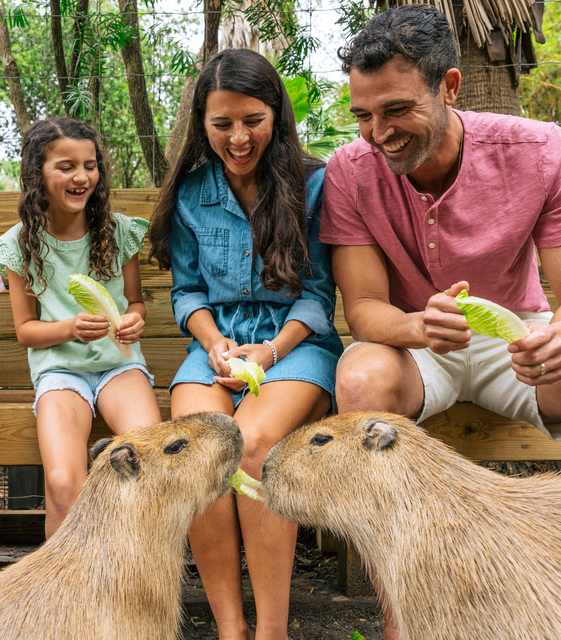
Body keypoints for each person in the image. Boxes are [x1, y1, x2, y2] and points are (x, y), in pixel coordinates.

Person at [320, 7, 561, 636]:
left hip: (515, 336)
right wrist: (416, 327)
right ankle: (404, 616)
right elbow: (363, 310)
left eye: (397, 110)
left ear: (451, 87)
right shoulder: (349, 172)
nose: (378, 133)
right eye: (363, 115)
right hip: (417, 343)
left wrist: (559, 338)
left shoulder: (542, 150)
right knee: (360, 380)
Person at [149, 49, 343, 640]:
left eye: (252, 121)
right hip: (217, 347)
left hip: (295, 345)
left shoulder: (313, 184)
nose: (238, 137)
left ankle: (272, 631)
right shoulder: (189, 192)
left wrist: (270, 352)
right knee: (200, 452)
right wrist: (213, 343)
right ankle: (231, 629)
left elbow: (318, 294)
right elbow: (186, 292)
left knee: (255, 444)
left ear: (276, 114)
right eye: (222, 123)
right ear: (202, 124)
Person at [0, 117, 161, 538]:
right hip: (59, 373)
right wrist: (70, 328)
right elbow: (25, 331)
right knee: (63, 485)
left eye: (90, 165)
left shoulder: (117, 231)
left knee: (150, 466)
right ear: (38, 174)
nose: (81, 176)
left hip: (119, 366)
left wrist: (133, 321)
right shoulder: (20, 244)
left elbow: (137, 303)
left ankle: (134, 580)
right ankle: (64, 594)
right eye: (66, 166)